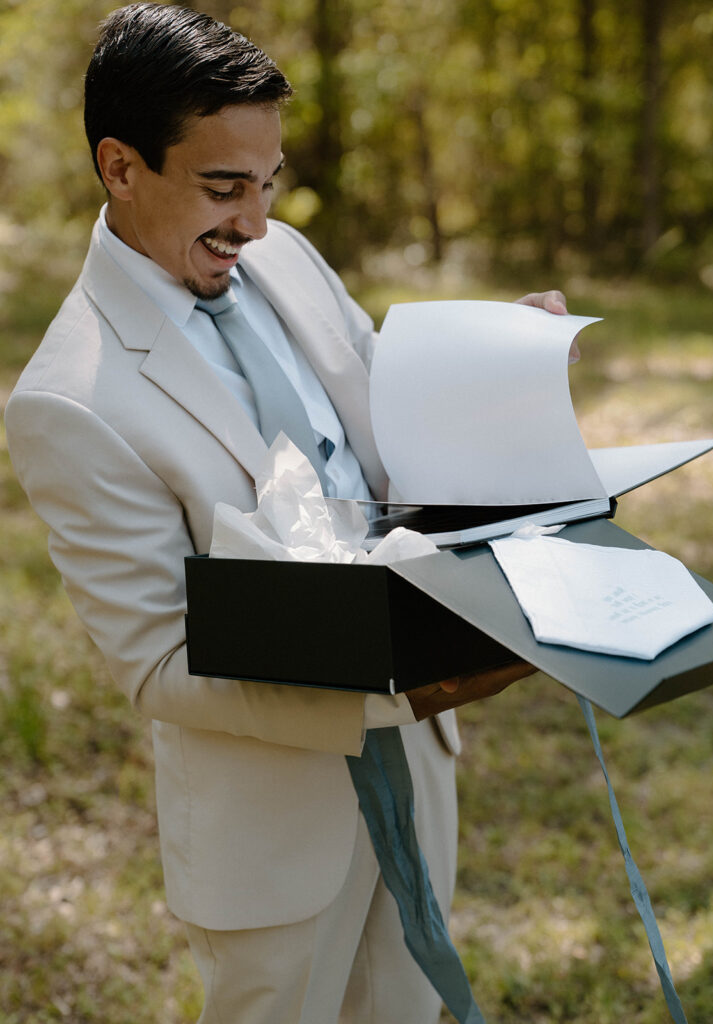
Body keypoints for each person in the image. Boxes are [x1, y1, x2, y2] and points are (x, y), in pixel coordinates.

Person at [4, 5, 569, 1022]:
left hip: (419, 760)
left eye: (268, 184)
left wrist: (480, 382)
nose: (256, 222)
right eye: (223, 188)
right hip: (271, 827)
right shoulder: (68, 398)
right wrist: (397, 682)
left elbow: (374, 441)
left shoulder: (289, 258)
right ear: (120, 167)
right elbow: (155, 661)